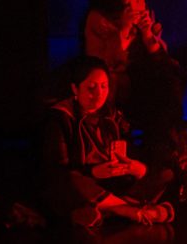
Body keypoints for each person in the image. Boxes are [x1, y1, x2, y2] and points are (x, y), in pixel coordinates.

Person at [42, 56, 174, 227]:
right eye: (91, 87)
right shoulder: (60, 118)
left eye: (104, 86)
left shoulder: (111, 115)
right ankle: (132, 211)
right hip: (83, 186)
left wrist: (135, 168)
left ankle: (111, 210)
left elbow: (131, 152)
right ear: (75, 88)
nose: (99, 94)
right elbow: (57, 171)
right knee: (71, 181)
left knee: (164, 174)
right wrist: (94, 172)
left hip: (112, 187)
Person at [82, 0, 185, 150]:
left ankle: (166, 145)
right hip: (122, 83)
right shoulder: (98, 19)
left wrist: (147, 33)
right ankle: (169, 142)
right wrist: (123, 28)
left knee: (171, 75)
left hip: (146, 77)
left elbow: (159, 55)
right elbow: (99, 63)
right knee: (166, 89)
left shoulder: (141, 11)